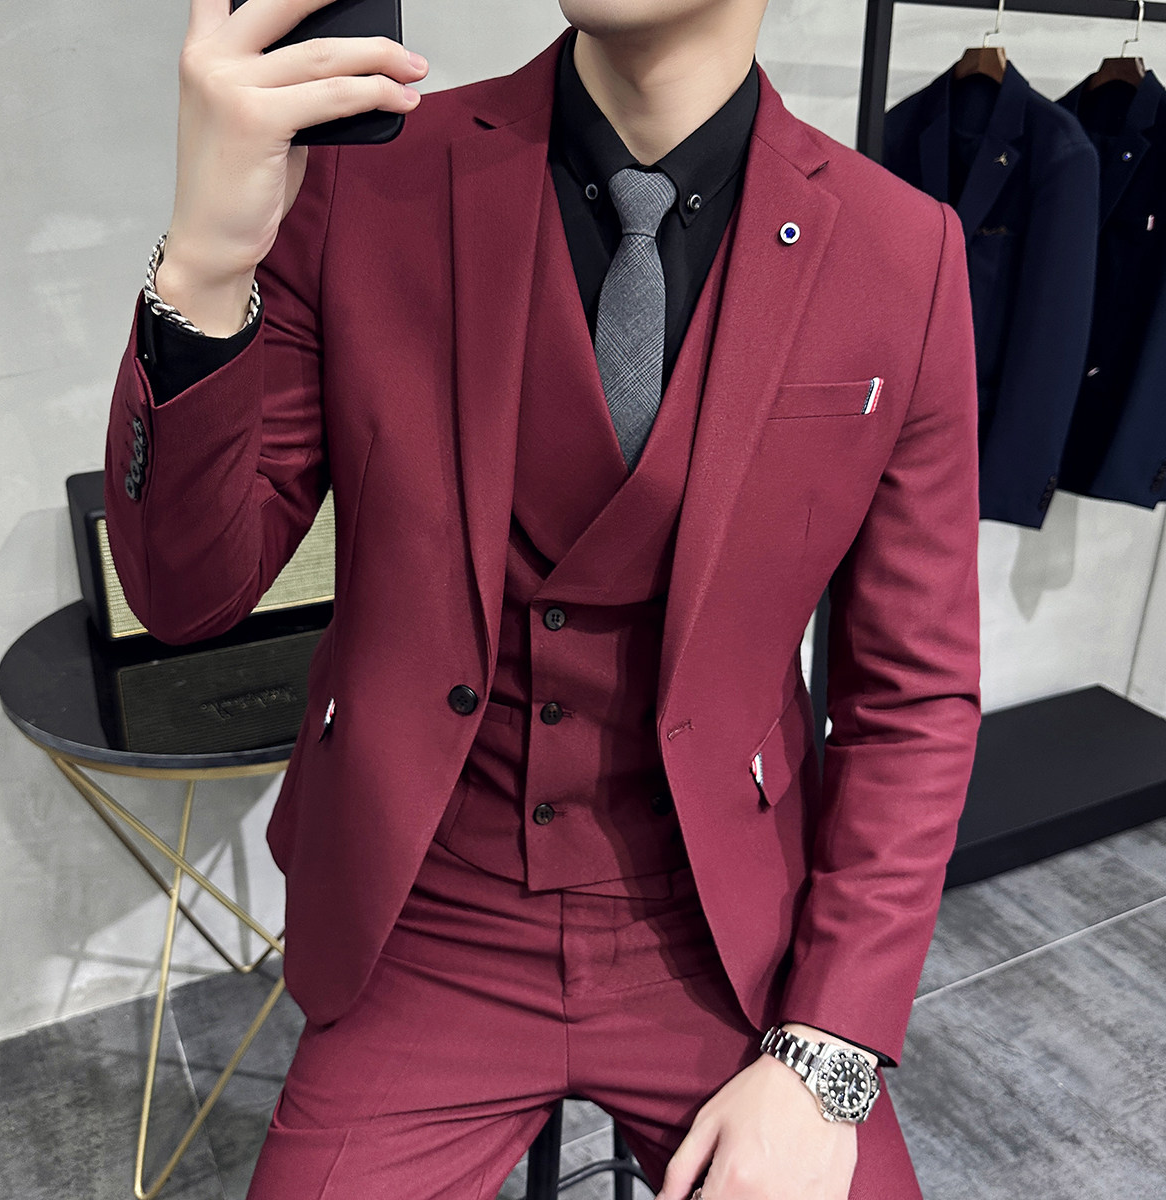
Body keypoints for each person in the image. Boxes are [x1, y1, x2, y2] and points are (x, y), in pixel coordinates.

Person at [103, 0, 982, 1196]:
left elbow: (914, 699)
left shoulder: (900, 253)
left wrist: (828, 1046)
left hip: (725, 933)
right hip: (424, 913)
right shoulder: (367, 182)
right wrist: (206, 263)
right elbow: (184, 596)